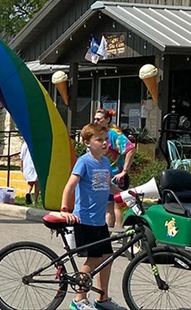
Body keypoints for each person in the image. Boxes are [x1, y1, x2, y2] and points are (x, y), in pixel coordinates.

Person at [59, 123, 124, 310]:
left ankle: (102, 299)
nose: (104, 143)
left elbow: (109, 186)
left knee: (107, 258)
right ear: (88, 142)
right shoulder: (84, 162)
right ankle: (79, 299)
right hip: (85, 219)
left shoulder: (105, 163)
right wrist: (65, 209)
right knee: (94, 259)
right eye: (99, 140)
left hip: (99, 221)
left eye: (105, 140)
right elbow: (70, 185)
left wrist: (126, 195)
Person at [94, 108, 135, 229]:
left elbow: (130, 149)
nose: (95, 121)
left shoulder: (113, 134)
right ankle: (108, 236)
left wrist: (124, 171)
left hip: (115, 177)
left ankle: (120, 234)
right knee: (108, 208)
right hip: (102, 176)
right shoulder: (98, 134)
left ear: (107, 119)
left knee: (117, 206)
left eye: (98, 119)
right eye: (95, 119)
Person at [19, 140, 39, 205]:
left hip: (28, 165)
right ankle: (35, 200)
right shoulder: (37, 143)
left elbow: (22, 156)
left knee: (30, 182)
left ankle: (28, 193)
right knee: (37, 183)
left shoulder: (25, 144)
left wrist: (21, 166)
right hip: (36, 164)